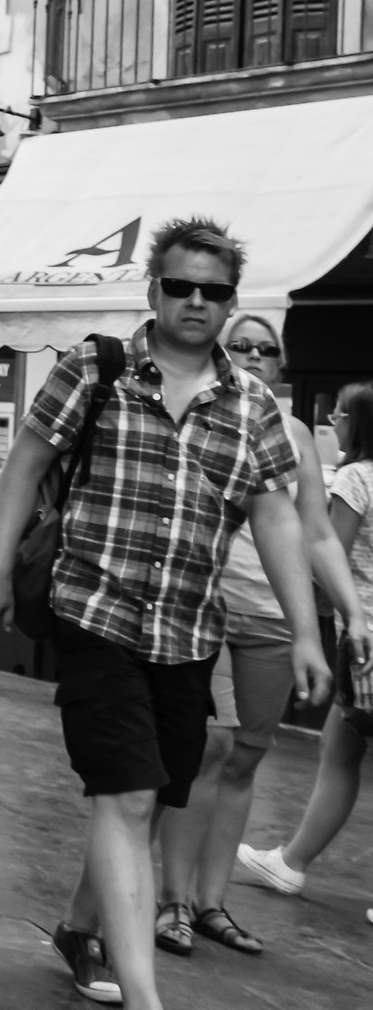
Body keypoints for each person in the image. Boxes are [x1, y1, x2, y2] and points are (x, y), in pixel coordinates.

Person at [0, 217, 328, 1010]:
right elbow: (25, 463)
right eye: (181, 286)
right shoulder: (94, 370)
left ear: (231, 302)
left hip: (190, 629)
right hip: (95, 611)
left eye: (214, 291)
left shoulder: (253, 406)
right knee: (126, 798)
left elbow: (275, 517)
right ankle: (146, 998)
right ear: (154, 290)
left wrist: (307, 631)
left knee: (150, 792)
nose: (197, 302)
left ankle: (78, 925)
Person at [155, 314, 370, 955]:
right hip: (206, 606)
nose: (252, 355)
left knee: (247, 757)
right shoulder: (197, 410)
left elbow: (318, 532)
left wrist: (344, 614)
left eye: (265, 349)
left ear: (282, 365)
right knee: (209, 752)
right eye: (240, 344)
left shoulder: (298, 434)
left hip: (276, 616)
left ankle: (212, 902)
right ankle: (172, 902)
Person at [239, 379, 373, 900]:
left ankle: (292, 863)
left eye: (340, 414)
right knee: (341, 747)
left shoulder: (357, 481)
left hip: (363, 640)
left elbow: (326, 549)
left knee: (340, 756)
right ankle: (292, 859)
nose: (333, 422)